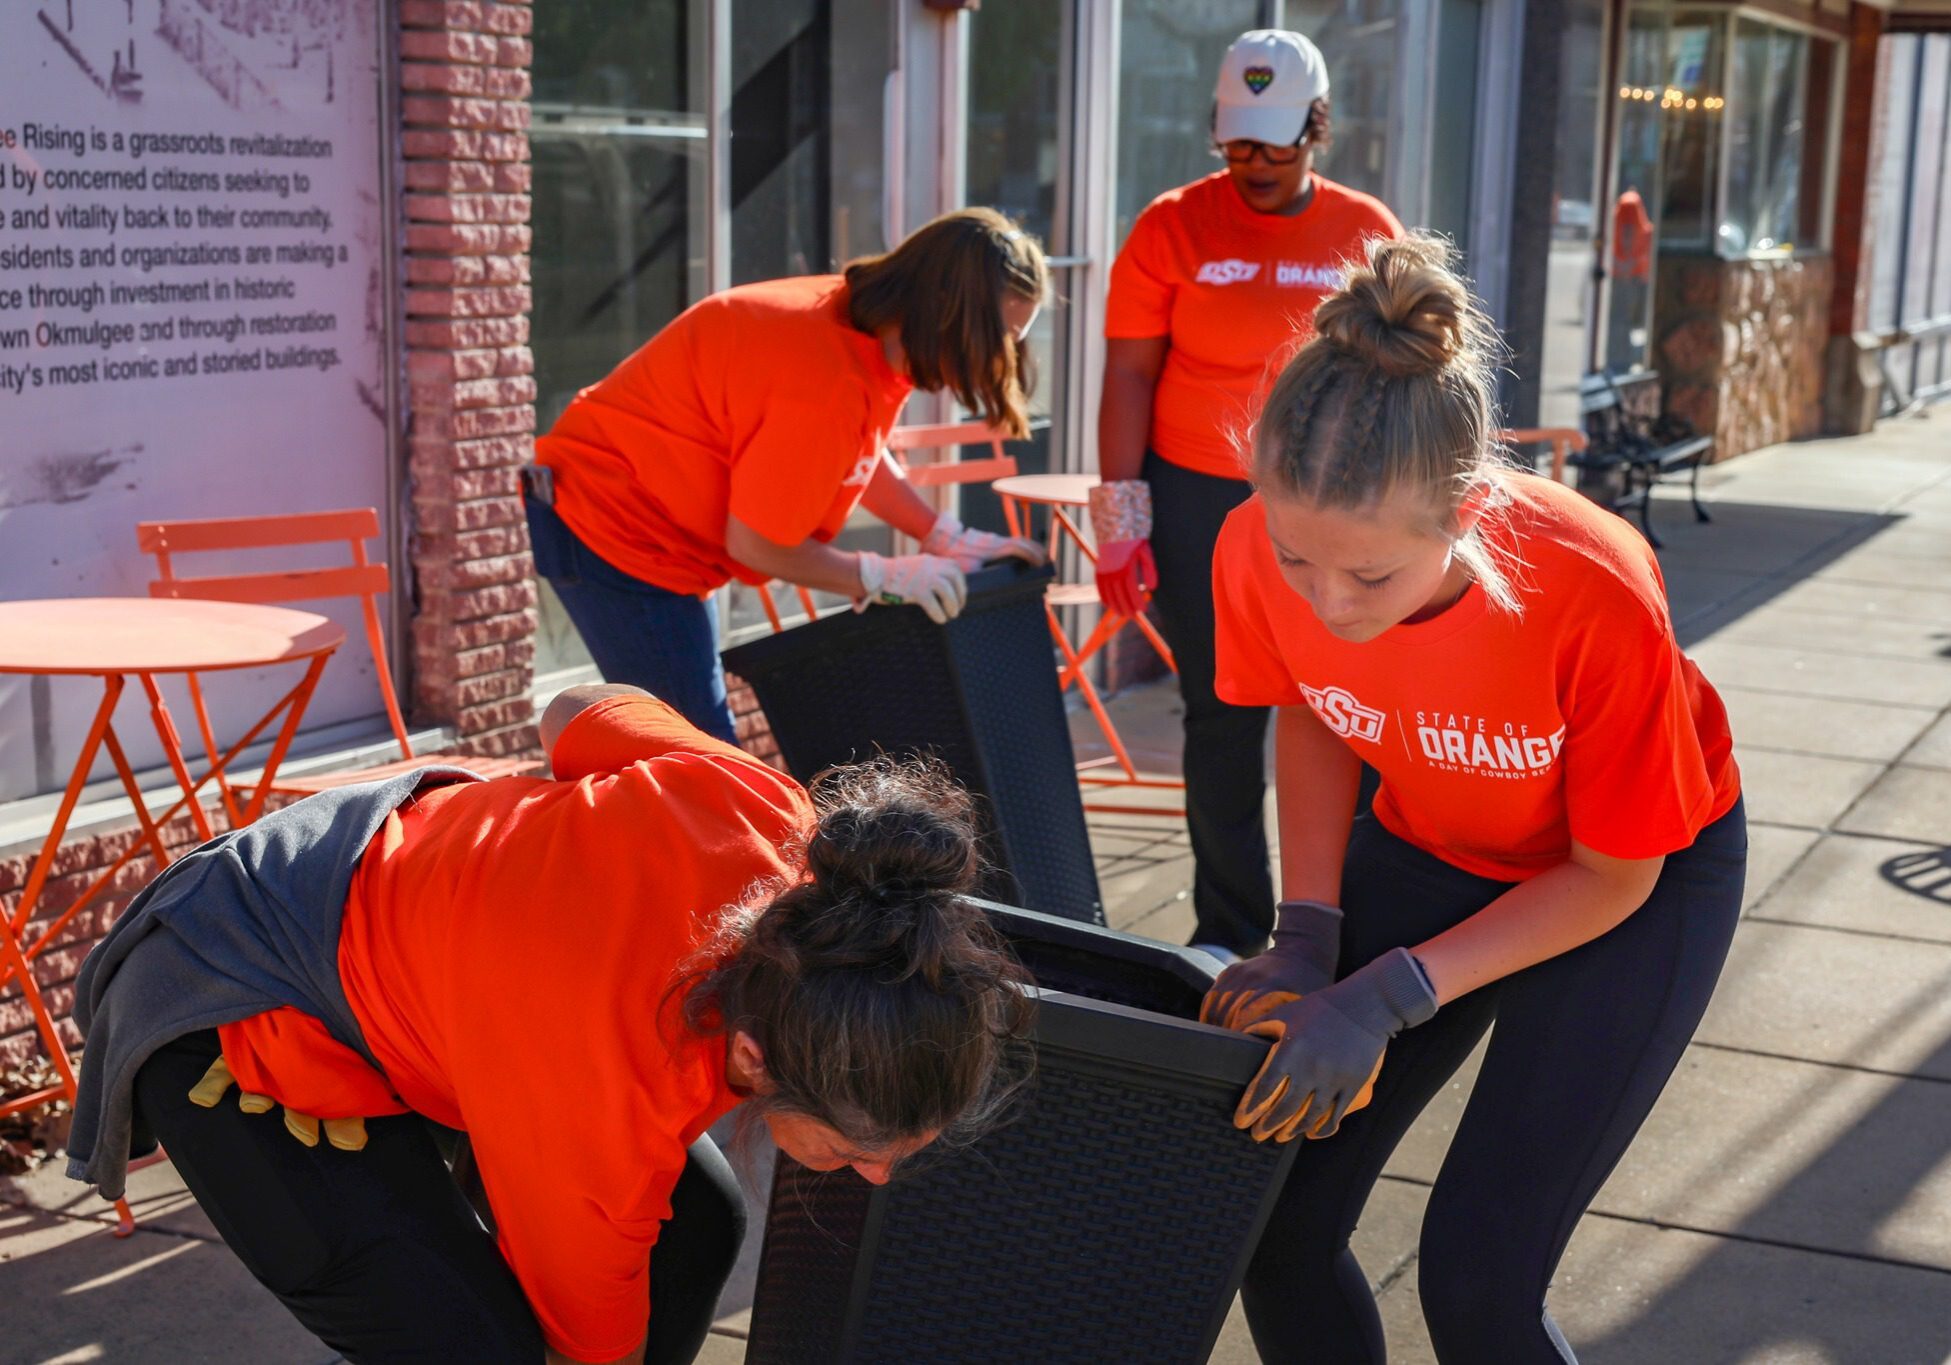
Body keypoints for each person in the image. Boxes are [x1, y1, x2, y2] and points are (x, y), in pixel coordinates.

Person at [65, 686, 1033, 1364]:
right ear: (753, 1051)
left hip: (437, 970)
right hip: (233, 994)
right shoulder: (602, 1094)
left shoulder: (784, 833)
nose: (878, 1174)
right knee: (471, 1348)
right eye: (861, 1146)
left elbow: (571, 714)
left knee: (697, 1228)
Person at [1200, 233, 1745, 1362]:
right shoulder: (1254, 545)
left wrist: (1388, 994)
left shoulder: (1588, 582)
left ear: (1463, 515)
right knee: (1272, 1230)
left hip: (1626, 881)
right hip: (1431, 837)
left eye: (1370, 576)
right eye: (1300, 562)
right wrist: (1306, 934)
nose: (1328, 602)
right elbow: (1306, 710)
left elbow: (1611, 875)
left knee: (1477, 1280)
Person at [1089, 29, 1403, 962]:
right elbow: (1128, 375)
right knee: (1219, 718)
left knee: (1342, 703)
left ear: (1316, 127)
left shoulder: (1363, 228)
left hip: (1323, 498)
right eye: (1236, 142)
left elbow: (1393, 376)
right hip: (1194, 496)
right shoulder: (1171, 225)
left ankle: (1336, 920)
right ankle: (1226, 930)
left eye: (1273, 141)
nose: (1253, 163)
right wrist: (1120, 517)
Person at [528, 208, 1049, 745]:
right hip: (613, 531)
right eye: (999, 337)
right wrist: (882, 577)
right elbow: (760, 546)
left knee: (688, 762)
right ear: (948, 312)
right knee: (699, 767)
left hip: (647, 528)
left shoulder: (863, 326)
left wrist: (941, 535)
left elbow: (856, 452)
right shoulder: (822, 374)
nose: (1004, 357)